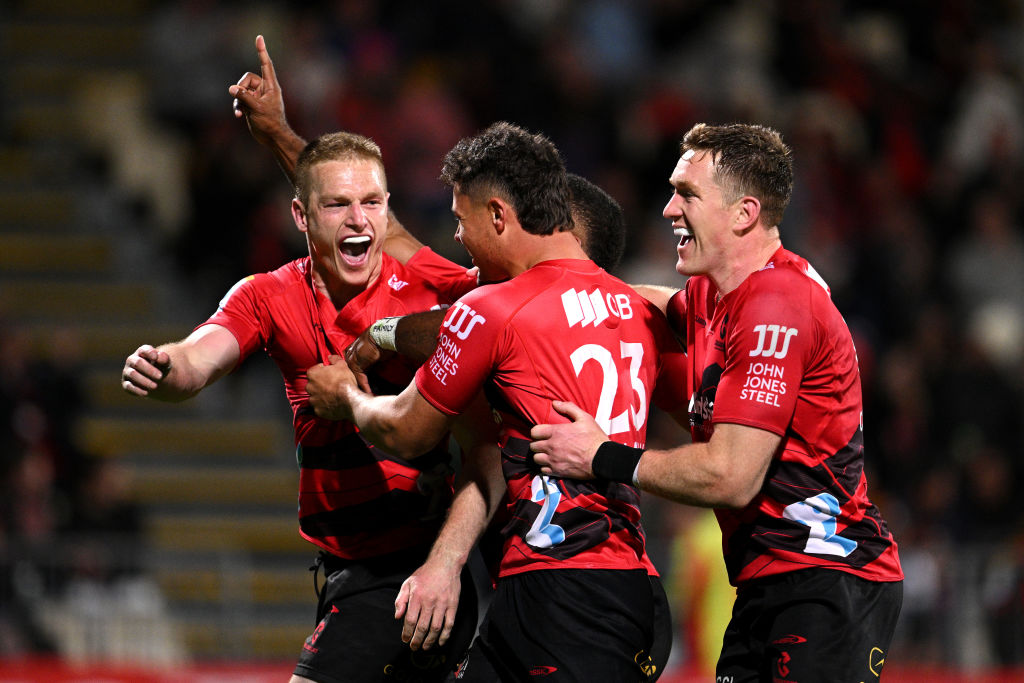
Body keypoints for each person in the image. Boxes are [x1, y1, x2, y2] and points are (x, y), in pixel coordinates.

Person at [302, 121, 688, 682]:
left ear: (499, 216)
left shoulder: (492, 309)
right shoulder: (643, 308)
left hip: (564, 588)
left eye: (461, 221)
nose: (458, 237)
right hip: (623, 581)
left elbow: (409, 431)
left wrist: (347, 400)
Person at [120, 131, 505, 683]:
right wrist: (164, 366)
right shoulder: (268, 295)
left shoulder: (431, 294)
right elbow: (200, 357)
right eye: (337, 204)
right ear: (301, 216)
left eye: (372, 202)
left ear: (388, 209)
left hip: (410, 573)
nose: (358, 220)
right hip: (344, 569)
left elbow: (504, 325)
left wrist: (444, 567)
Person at [531, 122, 904, 682]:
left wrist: (600, 455)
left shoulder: (777, 303)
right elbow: (653, 305)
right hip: (768, 582)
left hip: (828, 581)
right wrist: (545, 297)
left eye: (687, 194)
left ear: (743, 213)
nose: (667, 209)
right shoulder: (715, 292)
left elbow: (730, 476)